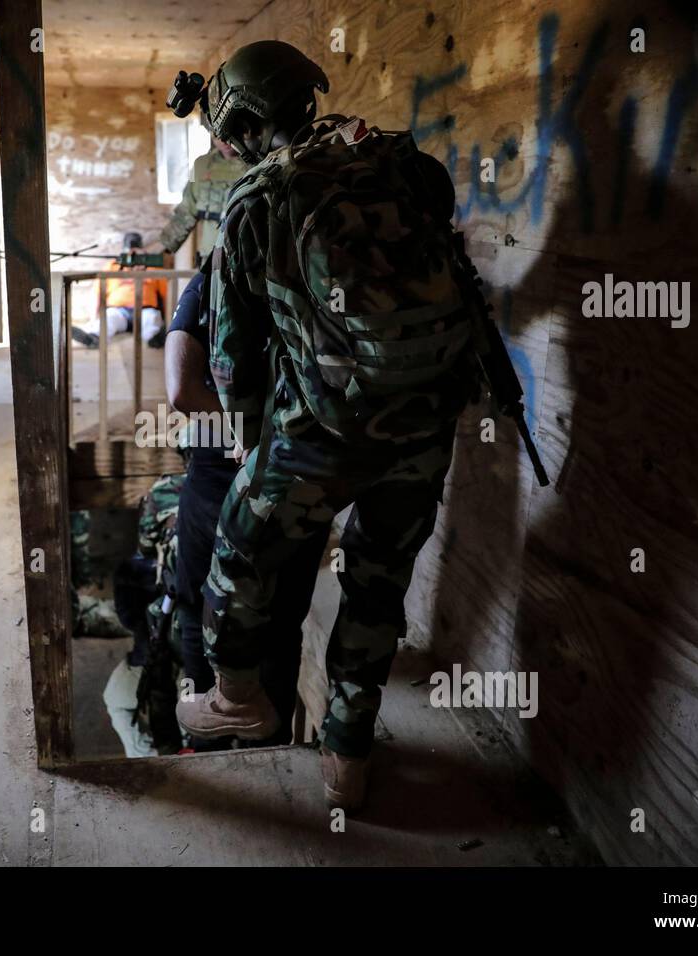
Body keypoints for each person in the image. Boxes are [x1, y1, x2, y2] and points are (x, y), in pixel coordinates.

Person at [174, 40, 480, 812]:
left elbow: (233, 361)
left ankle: (239, 700)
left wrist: (250, 446)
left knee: (235, 558)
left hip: (319, 430)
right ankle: (347, 756)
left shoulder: (256, 198)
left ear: (245, 120)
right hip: (426, 420)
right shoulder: (403, 163)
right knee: (378, 587)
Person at [164, 269, 323, 751]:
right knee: (281, 623)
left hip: (221, 479)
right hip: (300, 480)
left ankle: (205, 746)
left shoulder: (217, 272)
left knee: (201, 610)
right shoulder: (323, 274)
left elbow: (182, 391)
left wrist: (246, 428)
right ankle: (267, 756)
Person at [156, 131, 248, 268]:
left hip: (246, 260)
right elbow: (186, 213)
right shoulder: (200, 165)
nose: (223, 140)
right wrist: (152, 250)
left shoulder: (257, 165)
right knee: (191, 290)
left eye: (228, 132)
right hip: (210, 259)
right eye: (217, 134)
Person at [71, 232, 167, 349]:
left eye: (136, 251)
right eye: (129, 252)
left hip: (145, 310)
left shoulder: (152, 267)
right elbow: (98, 292)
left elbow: (166, 296)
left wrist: (169, 319)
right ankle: (93, 338)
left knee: (151, 320)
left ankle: (155, 339)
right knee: (109, 319)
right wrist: (94, 318)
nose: (133, 255)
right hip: (119, 311)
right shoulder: (112, 266)